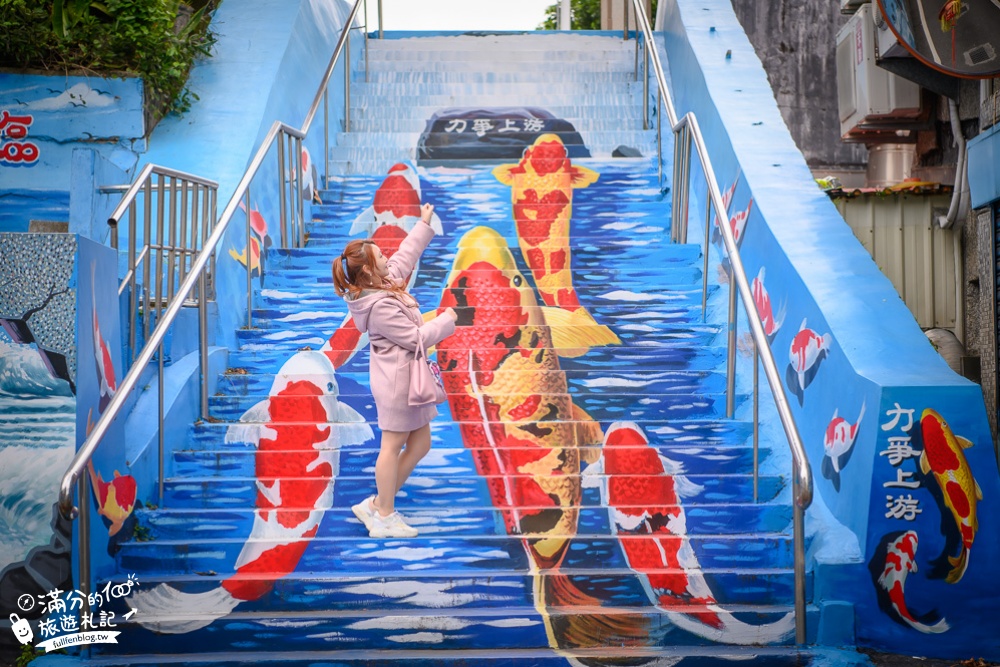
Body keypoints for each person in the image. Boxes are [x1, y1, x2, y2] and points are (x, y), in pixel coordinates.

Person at [332, 203, 457, 538]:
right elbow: (415, 338)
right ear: (370, 272)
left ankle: (376, 504)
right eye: (380, 256)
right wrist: (445, 322)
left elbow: (405, 256)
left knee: (421, 444)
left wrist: (423, 223)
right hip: (398, 384)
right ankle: (384, 515)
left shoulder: (383, 284)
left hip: (409, 379)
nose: (388, 258)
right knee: (392, 445)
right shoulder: (380, 307)